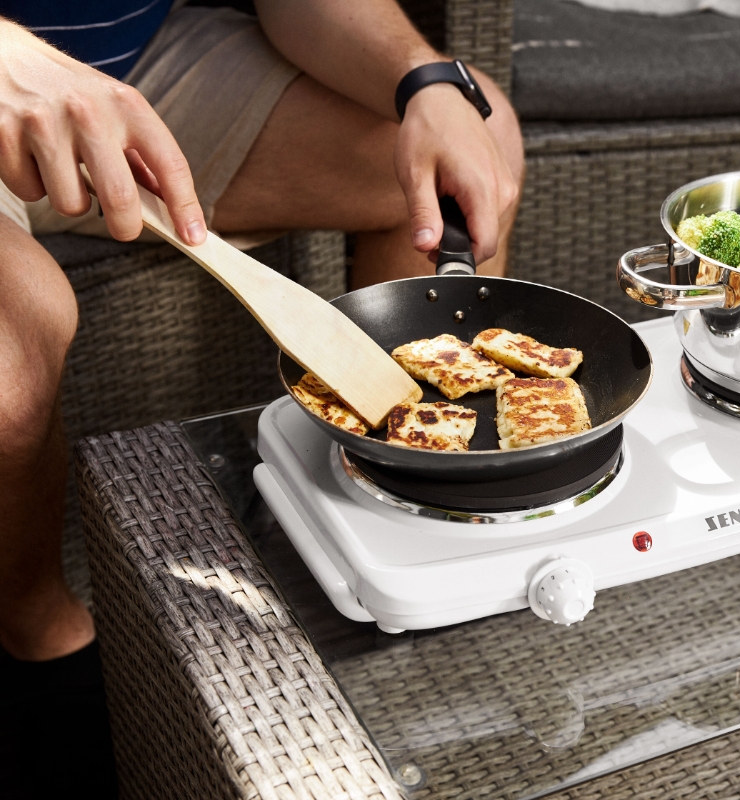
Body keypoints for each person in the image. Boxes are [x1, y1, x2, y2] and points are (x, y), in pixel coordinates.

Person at [0, 0, 524, 663]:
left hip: (129, 71)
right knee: (7, 378)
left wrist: (424, 79)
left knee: (472, 143)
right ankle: (39, 634)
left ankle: (393, 543)